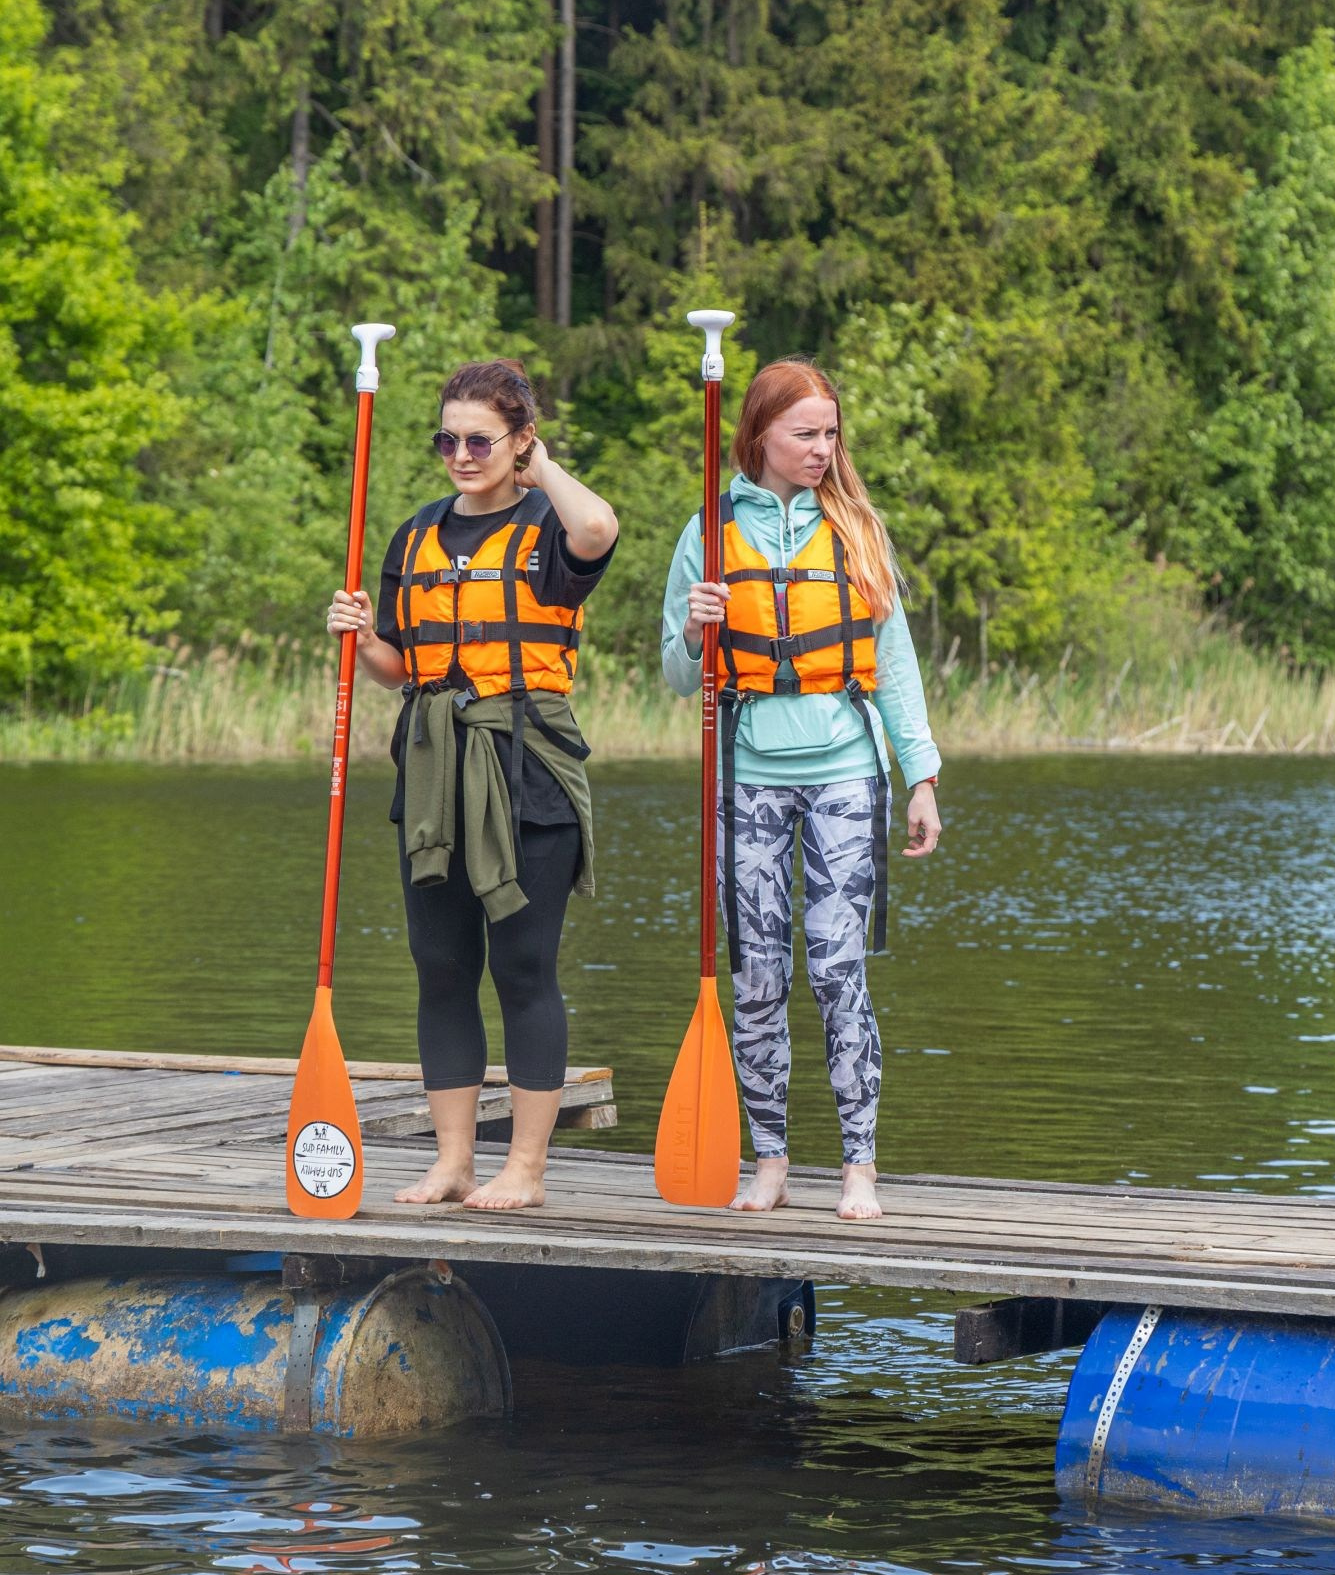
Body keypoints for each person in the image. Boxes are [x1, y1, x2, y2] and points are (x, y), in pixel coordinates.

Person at [325, 360, 618, 1211]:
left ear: (520, 440)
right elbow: (397, 668)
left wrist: (542, 465)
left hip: (529, 773)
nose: (460, 454)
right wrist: (357, 638)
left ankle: (523, 1170)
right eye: (446, 439)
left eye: (480, 439)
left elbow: (599, 527)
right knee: (441, 966)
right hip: (432, 773)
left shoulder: (549, 524)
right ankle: (454, 1161)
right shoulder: (414, 536)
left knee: (524, 969)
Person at [660, 358, 942, 1222]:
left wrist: (922, 775)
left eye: (830, 434)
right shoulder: (707, 532)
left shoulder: (856, 528)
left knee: (838, 969)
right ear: (759, 436)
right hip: (747, 776)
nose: (822, 449)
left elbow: (893, 666)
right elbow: (676, 678)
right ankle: (771, 1158)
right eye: (805, 434)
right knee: (756, 979)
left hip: (845, 772)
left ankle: (859, 1165)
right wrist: (698, 632)